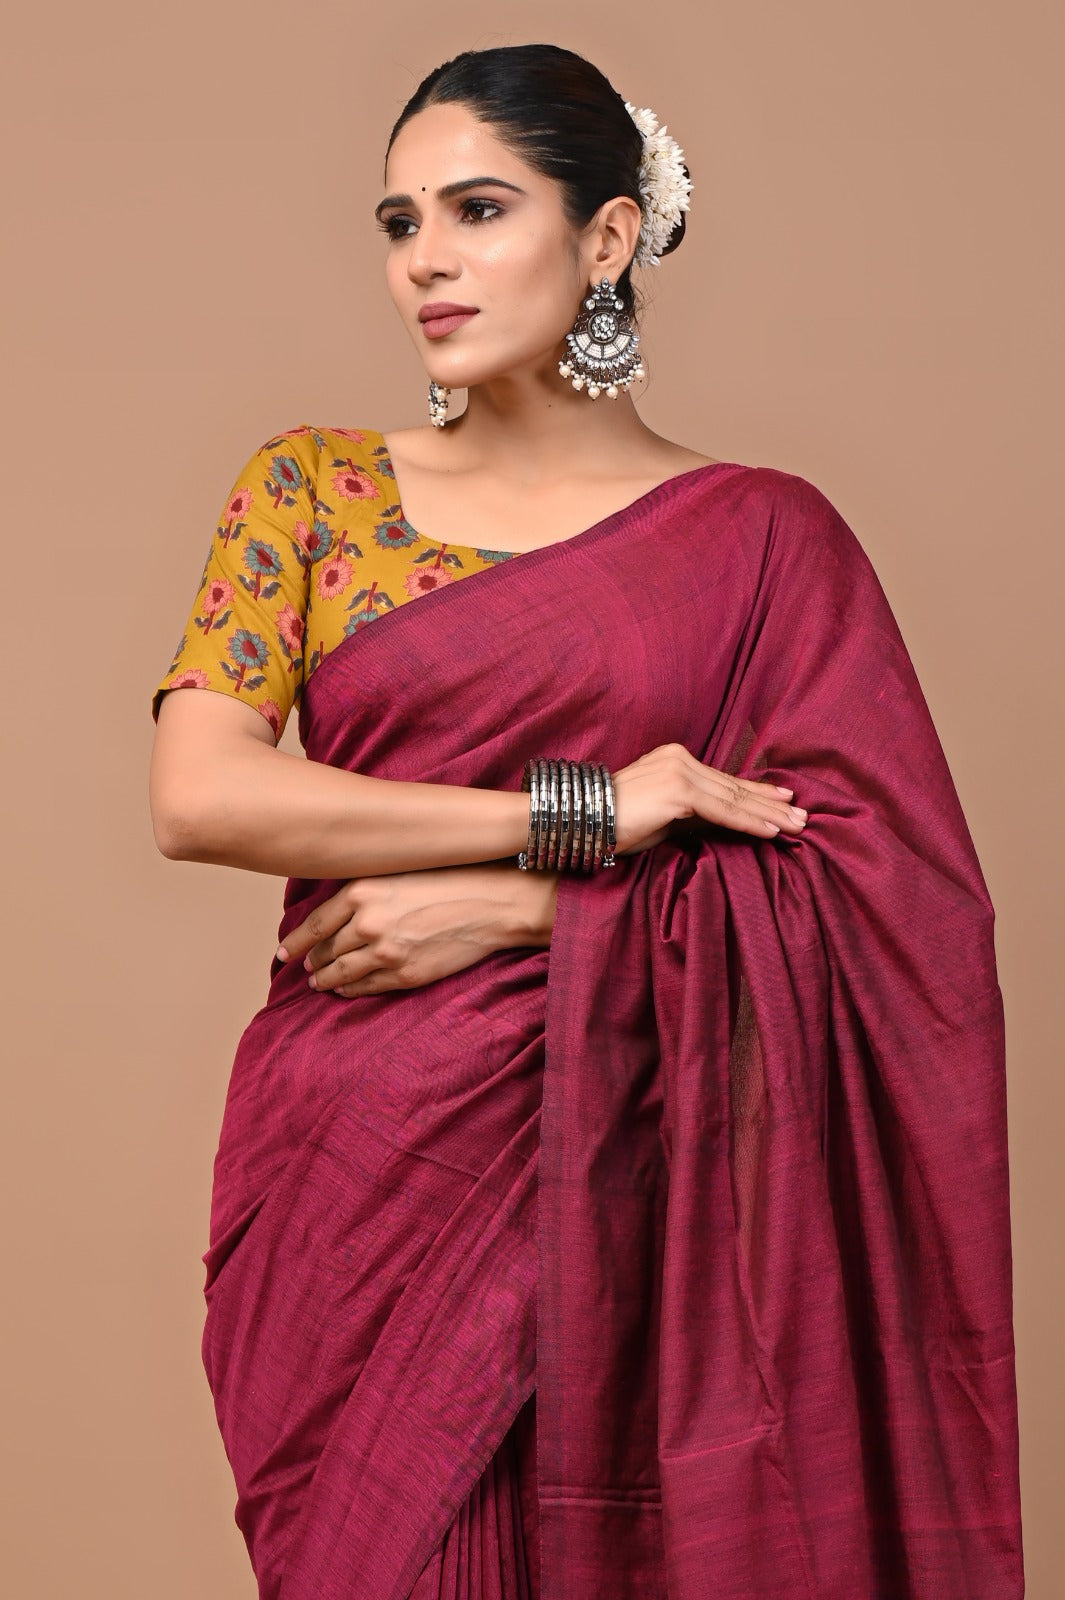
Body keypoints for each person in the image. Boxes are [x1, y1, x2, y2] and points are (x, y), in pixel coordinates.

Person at [147, 42, 1024, 1600]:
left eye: (477, 210)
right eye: (399, 222)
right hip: (355, 1173)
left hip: (638, 1199)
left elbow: (891, 906)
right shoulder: (311, 490)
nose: (425, 260)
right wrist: (583, 814)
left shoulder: (766, 539)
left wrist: (531, 904)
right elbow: (202, 794)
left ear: (606, 235)